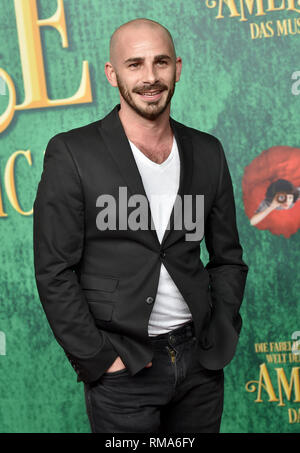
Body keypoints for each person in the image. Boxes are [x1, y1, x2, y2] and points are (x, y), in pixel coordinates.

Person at [33, 18, 249, 433]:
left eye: (160, 62)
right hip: (124, 366)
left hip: (199, 363)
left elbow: (228, 259)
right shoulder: (72, 153)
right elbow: (54, 271)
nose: (150, 78)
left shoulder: (207, 151)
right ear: (112, 73)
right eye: (134, 65)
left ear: (178, 68)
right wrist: (100, 360)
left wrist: (219, 331)